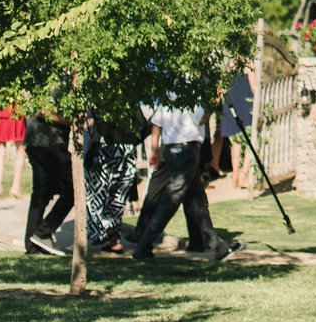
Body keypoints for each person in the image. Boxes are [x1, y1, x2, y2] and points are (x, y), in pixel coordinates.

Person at [129, 102, 242, 263]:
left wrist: (154, 150)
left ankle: (218, 247)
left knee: (197, 201)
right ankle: (142, 248)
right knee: (169, 201)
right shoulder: (192, 94)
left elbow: (156, 124)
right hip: (187, 150)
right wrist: (212, 105)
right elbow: (201, 119)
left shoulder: (169, 94)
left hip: (171, 149)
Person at [85, 117, 143, 252]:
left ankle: (107, 233)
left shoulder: (104, 104)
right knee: (117, 197)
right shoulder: (129, 103)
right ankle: (113, 237)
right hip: (127, 150)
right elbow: (143, 124)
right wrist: (133, 140)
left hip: (107, 149)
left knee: (98, 195)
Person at [24, 112, 74, 255]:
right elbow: (42, 111)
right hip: (49, 142)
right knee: (73, 189)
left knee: (41, 194)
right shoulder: (55, 89)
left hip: (38, 140)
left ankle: (32, 245)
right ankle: (43, 232)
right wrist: (70, 122)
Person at [0, 103, 25, 200]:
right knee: (20, 149)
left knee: (0, 150)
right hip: (17, 109)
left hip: (0, 110)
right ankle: (15, 187)